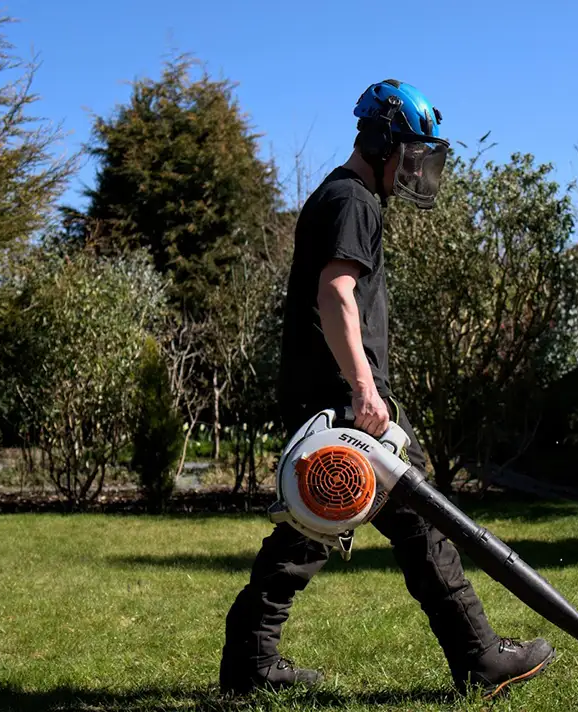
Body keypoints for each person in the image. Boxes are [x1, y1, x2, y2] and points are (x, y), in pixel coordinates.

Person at [220, 79, 555, 700]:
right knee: (418, 526)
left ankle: (250, 664)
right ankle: (480, 658)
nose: (418, 167)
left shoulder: (340, 195)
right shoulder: (353, 201)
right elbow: (336, 295)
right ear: (381, 142)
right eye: (412, 152)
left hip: (333, 401)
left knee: (309, 534)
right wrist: (366, 392)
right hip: (346, 406)